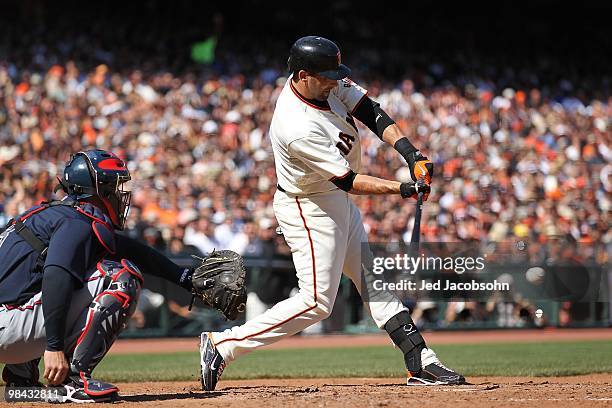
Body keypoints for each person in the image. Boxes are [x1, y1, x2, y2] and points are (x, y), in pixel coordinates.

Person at [199, 36, 465, 390]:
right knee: (316, 303)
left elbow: (370, 111)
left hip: (334, 200)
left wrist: (411, 154)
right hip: (308, 207)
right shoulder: (295, 125)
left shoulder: (325, 83)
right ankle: (223, 345)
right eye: (326, 75)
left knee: (373, 282)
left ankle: (420, 360)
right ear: (303, 75)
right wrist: (402, 188)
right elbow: (348, 180)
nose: (335, 81)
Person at [0, 150, 245, 403]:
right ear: (100, 189)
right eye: (115, 185)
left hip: (8, 325)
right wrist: (54, 347)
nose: (120, 193)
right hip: (9, 330)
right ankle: (72, 381)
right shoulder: (77, 222)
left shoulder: (50, 214)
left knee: (49, 279)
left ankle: (21, 384)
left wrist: (184, 277)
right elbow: (56, 277)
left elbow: (132, 249)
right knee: (120, 276)